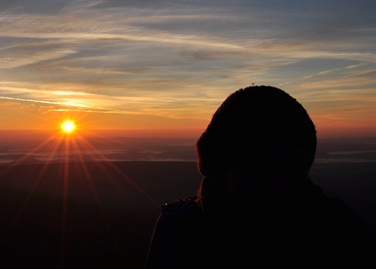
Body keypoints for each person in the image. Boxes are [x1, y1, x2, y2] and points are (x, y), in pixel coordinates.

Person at [144, 85, 375, 268]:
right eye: (260, 166)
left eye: (292, 166)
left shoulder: (338, 229)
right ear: (223, 166)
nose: (278, 185)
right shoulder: (181, 231)